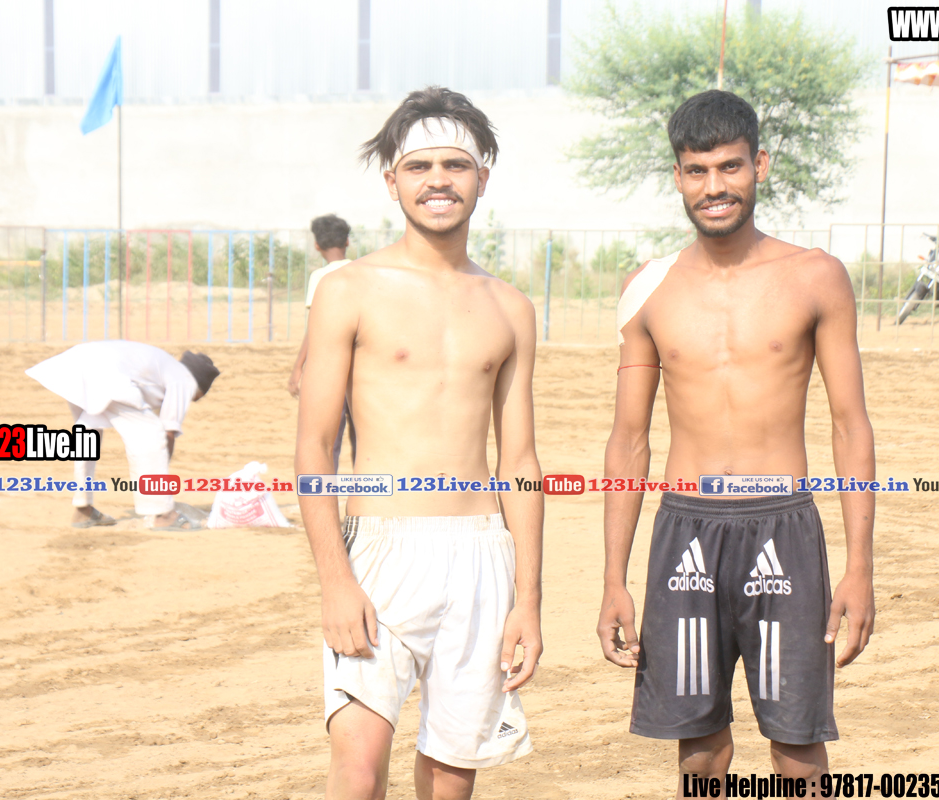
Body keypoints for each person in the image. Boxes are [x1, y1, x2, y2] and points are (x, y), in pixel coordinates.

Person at [597, 90, 875, 796]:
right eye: (696, 170)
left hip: (783, 525)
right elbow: (629, 440)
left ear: (760, 165)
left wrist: (859, 567)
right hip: (685, 530)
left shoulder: (815, 276)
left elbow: (850, 425)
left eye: (729, 167)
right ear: (677, 177)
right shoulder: (648, 289)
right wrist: (613, 579)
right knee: (698, 748)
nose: (713, 186)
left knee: (798, 745)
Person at [295, 86, 543, 800]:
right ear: (392, 181)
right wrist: (335, 579)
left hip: (481, 556)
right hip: (379, 552)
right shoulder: (348, 289)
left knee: (452, 777)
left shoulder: (511, 308)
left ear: (482, 178)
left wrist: (527, 600)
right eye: (420, 166)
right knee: (357, 770)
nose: (439, 180)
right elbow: (314, 447)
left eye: (456, 165)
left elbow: (520, 462)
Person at [26, 341, 219, 530]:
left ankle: (83, 510)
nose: (193, 400)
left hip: (75, 364)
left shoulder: (165, 366)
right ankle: (164, 515)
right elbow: (168, 431)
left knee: (87, 433)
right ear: (198, 386)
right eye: (197, 397)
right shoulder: (185, 379)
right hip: (106, 372)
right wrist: (159, 468)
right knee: (152, 435)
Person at [289, 213, 356, 471]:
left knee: (327, 442)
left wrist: (298, 367)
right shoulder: (362, 271)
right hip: (361, 368)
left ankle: (327, 491)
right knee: (364, 441)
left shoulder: (320, 277)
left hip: (331, 369)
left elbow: (314, 328)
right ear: (347, 241)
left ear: (317, 245)